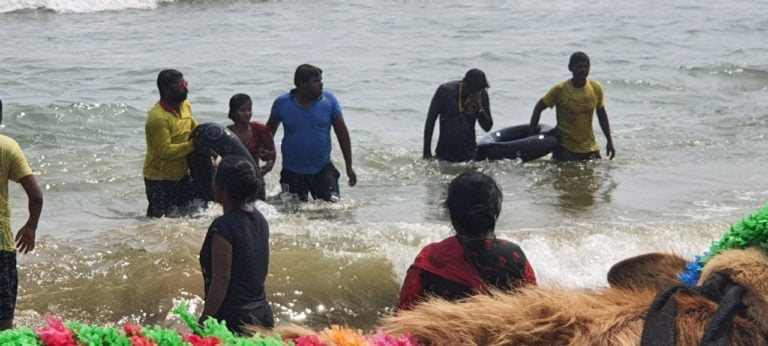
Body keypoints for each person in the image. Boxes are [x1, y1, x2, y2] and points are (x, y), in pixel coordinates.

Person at [396, 172, 536, 311]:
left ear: (451, 212)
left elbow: (402, 317)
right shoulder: (514, 255)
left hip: (447, 333)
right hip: (503, 332)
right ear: (494, 212)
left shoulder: (431, 258)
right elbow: (536, 313)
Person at [199, 156, 273, 333]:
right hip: (262, 316)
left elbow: (221, 280)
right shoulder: (260, 219)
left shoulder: (223, 227)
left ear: (222, 187)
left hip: (233, 322)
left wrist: (203, 321)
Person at [266, 64, 356, 202]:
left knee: (333, 208)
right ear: (302, 85)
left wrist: (349, 166)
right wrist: (268, 160)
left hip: (323, 169)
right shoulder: (282, 103)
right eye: (316, 81)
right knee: (292, 211)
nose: (321, 84)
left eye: (321, 80)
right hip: (292, 171)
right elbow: (268, 134)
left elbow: (342, 133)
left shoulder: (329, 101)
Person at [0, 98, 44, 330]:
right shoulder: (7, 147)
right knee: (4, 322)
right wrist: (30, 226)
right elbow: (36, 197)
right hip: (1, 244)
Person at [528, 52, 616, 161]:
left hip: (590, 147)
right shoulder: (560, 89)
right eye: (579, 67)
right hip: (565, 148)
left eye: (585, 66)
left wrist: (610, 141)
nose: (583, 70)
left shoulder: (595, 88)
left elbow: (602, 115)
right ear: (570, 68)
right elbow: (538, 108)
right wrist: (530, 138)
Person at [143, 69, 199, 217]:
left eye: (185, 83)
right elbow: (165, 152)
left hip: (182, 174)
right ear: (167, 90)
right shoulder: (158, 118)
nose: (185, 88)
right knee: (158, 221)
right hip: (159, 179)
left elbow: (192, 123)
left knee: (185, 216)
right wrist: (192, 145)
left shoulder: (185, 104)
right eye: (180, 85)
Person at [423, 69, 493, 162]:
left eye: (477, 93)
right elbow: (430, 121)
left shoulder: (482, 95)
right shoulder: (446, 91)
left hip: (469, 154)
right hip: (444, 154)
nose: (473, 95)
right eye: (471, 92)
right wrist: (427, 153)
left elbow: (487, 127)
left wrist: (479, 110)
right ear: (464, 84)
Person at [226, 94, 276, 178]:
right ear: (233, 111)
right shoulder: (227, 133)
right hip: (231, 180)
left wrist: (268, 165)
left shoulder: (259, 129)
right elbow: (214, 155)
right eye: (242, 110)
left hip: (254, 178)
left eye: (249, 109)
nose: (247, 113)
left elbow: (272, 153)